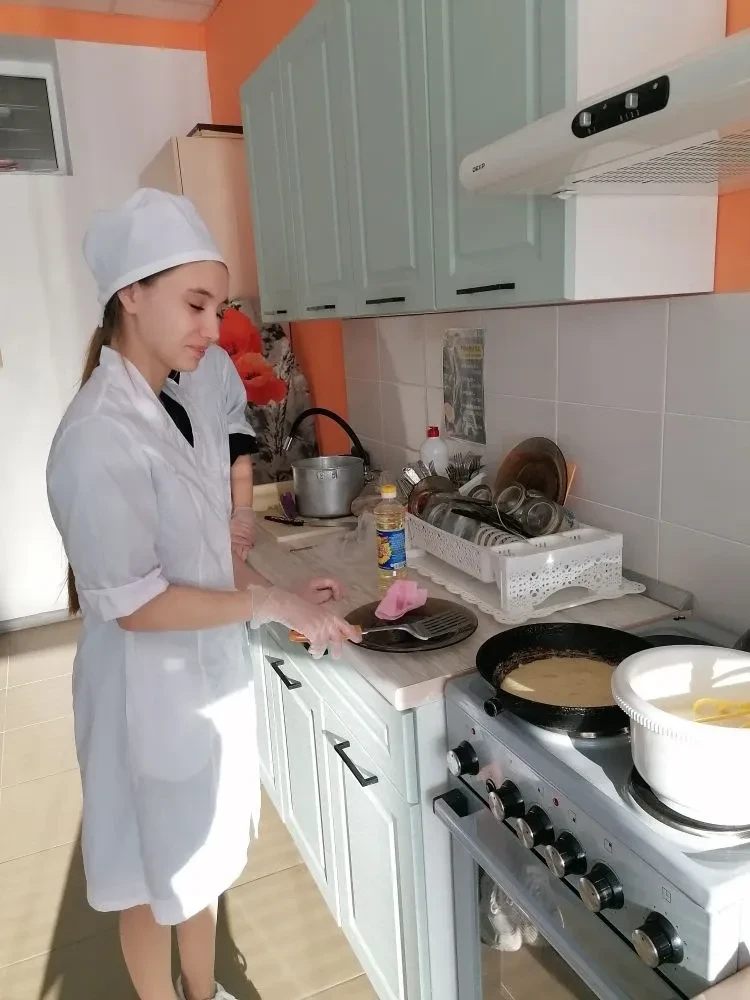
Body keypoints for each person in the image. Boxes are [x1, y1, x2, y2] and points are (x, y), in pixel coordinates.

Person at [46, 188, 361, 1000]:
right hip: (144, 699)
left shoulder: (178, 401)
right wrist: (271, 606)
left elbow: (204, 555)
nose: (212, 328)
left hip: (200, 686)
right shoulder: (98, 436)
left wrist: (280, 588)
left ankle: (201, 985)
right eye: (195, 304)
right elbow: (138, 604)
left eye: (217, 308)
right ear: (131, 294)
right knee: (151, 877)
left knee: (203, 858)